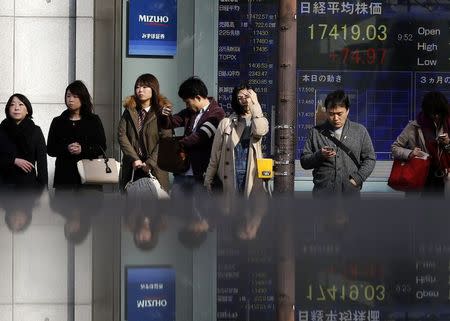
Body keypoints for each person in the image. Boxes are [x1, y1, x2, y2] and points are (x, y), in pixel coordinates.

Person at [204, 85, 269, 213]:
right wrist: (208, 179)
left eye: (247, 96)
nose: (244, 100)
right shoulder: (226, 123)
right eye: (240, 98)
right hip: (229, 175)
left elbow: (260, 130)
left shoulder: (260, 120)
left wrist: (255, 105)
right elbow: (215, 154)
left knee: (249, 218)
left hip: (251, 176)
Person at [300, 89, 376, 197]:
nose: (336, 118)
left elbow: (370, 159)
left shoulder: (359, 131)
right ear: (326, 111)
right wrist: (319, 155)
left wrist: (357, 178)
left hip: (350, 194)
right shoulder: (316, 132)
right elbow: (304, 162)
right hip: (322, 195)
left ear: (347, 110)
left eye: (339, 113)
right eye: (331, 114)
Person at [159, 76, 225, 196]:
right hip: (182, 172)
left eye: (187, 102)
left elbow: (201, 136)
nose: (186, 105)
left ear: (198, 97)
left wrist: (178, 145)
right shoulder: (189, 112)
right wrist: (164, 115)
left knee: (198, 213)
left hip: (201, 174)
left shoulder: (217, 113)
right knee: (176, 212)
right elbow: (169, 123)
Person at [47, 80, 106, 190]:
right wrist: (66, 148)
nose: (71, 100)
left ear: (83, 98)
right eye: (68, 96)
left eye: (75, 96)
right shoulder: (58, 121)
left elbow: (102, 147)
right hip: (65, 178)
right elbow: (50, 149)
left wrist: (82, 149)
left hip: (89, 178)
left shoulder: (93, 120)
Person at [118, 73, 172, 192]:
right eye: (137, 87)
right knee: (131, 207)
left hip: (155, 167)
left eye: (144, 87)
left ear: (153, 89)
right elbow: (122, 135)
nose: (140, 90)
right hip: (133, 167)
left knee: (156, 207)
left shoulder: (161, 111)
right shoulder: (129, 110)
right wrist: (134, 159)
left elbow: (166, 138)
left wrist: (150, 162)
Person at [391, 91, 450, 196]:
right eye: (433, 113)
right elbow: (395, 148)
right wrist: (411, 153)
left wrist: (447, 143)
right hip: (418, 177)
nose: (436, 116)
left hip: (442, 178)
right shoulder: (414, 126)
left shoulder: (447, 124)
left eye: (439, 113)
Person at [0, 94, 47, 189]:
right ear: (8, 109)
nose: (16, 108)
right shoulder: (1, 130)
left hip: (28, 186)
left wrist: (43, 188)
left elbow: (42, 162)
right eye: (12, 105)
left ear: (27, 110)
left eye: (21, 104)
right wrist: (13, 160)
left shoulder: (35, 130)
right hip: (4, 185)